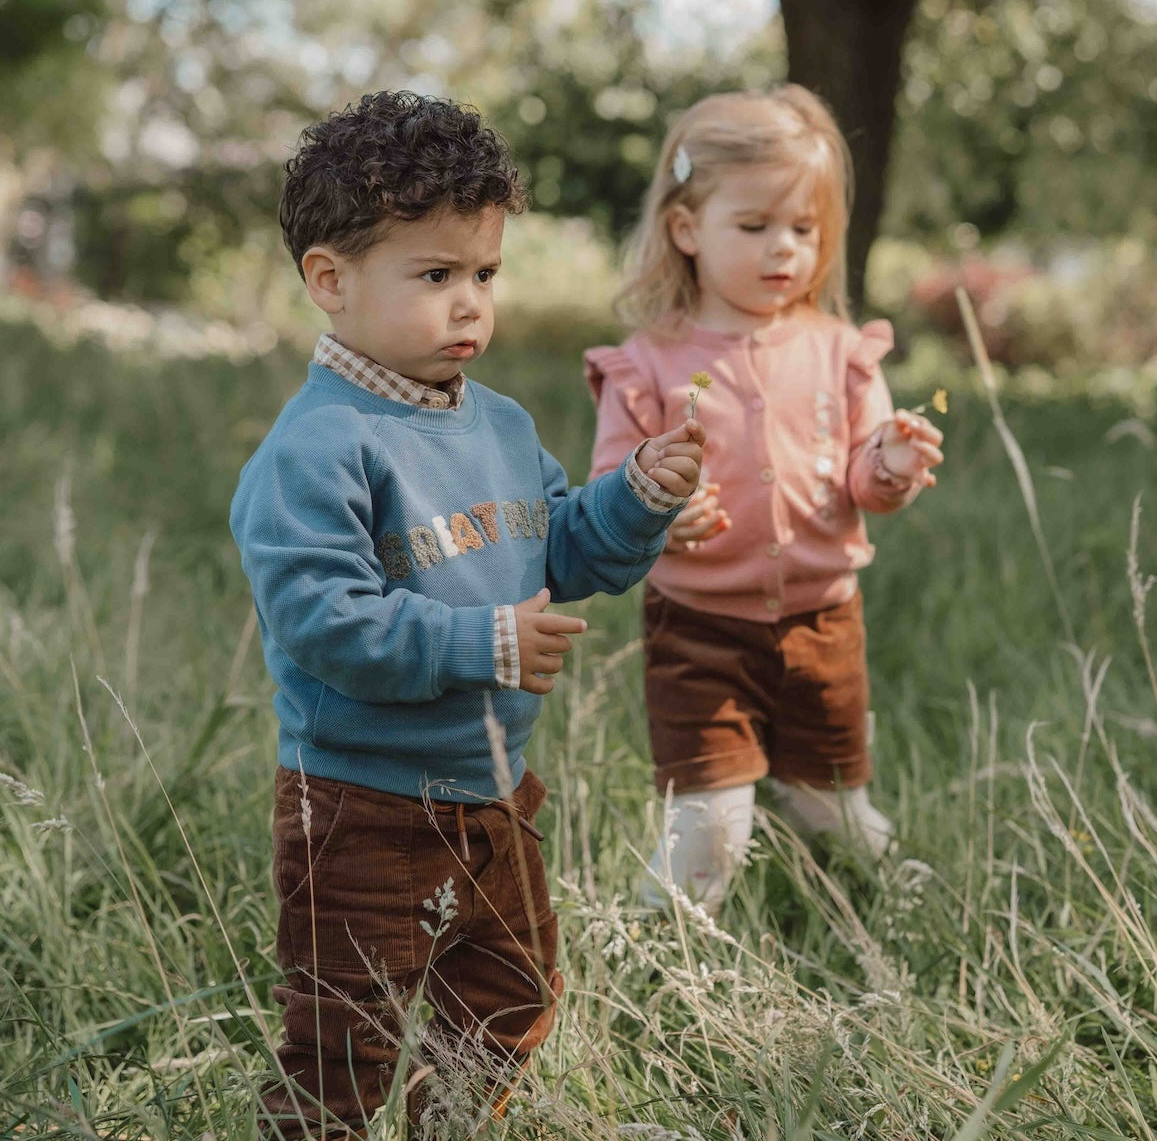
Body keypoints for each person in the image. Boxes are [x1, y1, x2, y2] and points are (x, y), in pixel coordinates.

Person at [230, 90, 705, 1139]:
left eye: (484, 273)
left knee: (513, 1001)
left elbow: (564, 551)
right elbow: (323, 623)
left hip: (492, 798)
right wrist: (483, 641)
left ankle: (446, 1127)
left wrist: (639, 496)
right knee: (342, 1048)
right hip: (358, 808)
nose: (470, 305)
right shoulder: (320, 449)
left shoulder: (500, 423)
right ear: (330, 280)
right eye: (435, 275)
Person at [585, 85, 944, 912]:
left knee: (832, 807)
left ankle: (905, 904)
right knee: (712, 827)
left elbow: (867, 481)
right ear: (686, 229)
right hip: (699, 630)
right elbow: (610, 489)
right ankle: (651, 950)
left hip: (823, 622)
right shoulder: (647, 367)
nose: (784, 249)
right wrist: (659, 514)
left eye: (804, 230)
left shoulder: (842, 353)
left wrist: (889, 461)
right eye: (754, 227)